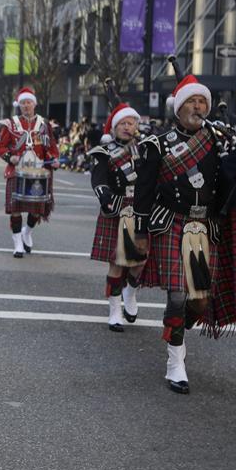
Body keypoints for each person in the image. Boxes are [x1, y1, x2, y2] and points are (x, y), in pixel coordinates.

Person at [133, 75, 236, 394]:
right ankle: (175, 361)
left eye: (202, 101)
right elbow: (144, 191)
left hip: (205, 228)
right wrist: (139, 231)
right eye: (191, 101)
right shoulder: (156, 146)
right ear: (178, 108)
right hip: (171, 223)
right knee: (177, 294)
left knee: (200, 302)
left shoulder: (218, 143)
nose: (198, 106)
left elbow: (234, 181)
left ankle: (175, 329)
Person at [87, 103, 146, 332]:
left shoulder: (145, 149)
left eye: (131, 123)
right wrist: (105, 196)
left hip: (141, 208)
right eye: (122, 123)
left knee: (140, 262)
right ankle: (114, 312)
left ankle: (129, 292)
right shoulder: (104, 152)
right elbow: (99, 179)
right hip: (118, 207)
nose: (127, 127)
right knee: (116, 263)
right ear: (114, 128)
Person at [0, 87, 59, 258]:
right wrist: (10, 157)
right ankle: (17, 244)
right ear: (19, 105)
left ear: (34, 104)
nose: (26, 105)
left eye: (28, 102)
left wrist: (54, 159)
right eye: (23, 103)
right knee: (15, 209)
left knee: (36, 210)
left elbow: (51, 147)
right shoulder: (11, 124)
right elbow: (0, 146)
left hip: (38, 172)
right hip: (16, 171)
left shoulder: (44, 125)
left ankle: (27, 232)